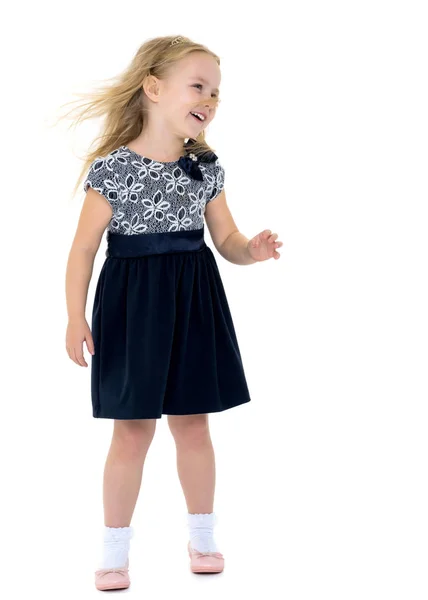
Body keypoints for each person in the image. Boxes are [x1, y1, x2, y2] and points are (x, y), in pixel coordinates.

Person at [64, 34, 282, 590]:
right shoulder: (111, 170)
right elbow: (84, 249)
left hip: (193, 301)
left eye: (215, 92)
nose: (209, 99)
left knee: (193, 425)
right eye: (198, 86)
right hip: (132, 308)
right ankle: (114, 549)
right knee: (131, 431)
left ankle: (203, 536)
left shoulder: (205, 167)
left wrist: (249, 250)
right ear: (154, 88)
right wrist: (74, 316)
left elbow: (226, 238)